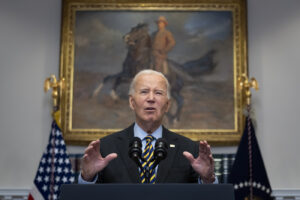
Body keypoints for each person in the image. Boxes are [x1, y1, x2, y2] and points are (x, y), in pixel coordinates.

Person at [79, 69, 216, 184]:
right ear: (132, 102)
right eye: (144, 91)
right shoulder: (106, 148)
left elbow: (206, 196)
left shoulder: (190, 150)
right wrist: (87, 178)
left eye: (158, 93)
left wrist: (208, 179)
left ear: (167, 105)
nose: (151, 98)